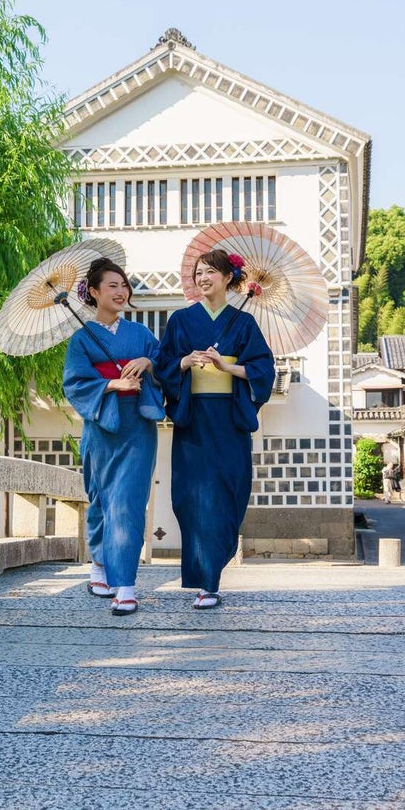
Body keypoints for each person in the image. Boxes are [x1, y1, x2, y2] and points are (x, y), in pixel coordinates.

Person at [155, 249, 275, 609]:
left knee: (228, 495)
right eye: (198, 272)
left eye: (210, 272)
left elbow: (264, 371)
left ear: (228, 278)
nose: (203, 278)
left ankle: (213, 574)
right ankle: (206, 581)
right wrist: (184, 361)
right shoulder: (180, 320)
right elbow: (163, 367)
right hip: (193, 420)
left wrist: (227, 367)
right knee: (191, 497)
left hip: (228, 419)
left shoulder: (244, 324)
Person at [63, 258, 165, 616]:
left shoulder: (140, 334)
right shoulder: (81, 338)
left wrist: (148, 364)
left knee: (128, 503)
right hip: (102, 428)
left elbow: (165, 363)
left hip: (137, 425)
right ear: (93, 292)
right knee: (102, 501)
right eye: (113, 286)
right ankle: (100, 564)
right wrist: (111, 382)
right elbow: (73, 383)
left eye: (124, 286)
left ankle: (126, 586)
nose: (122, 292)